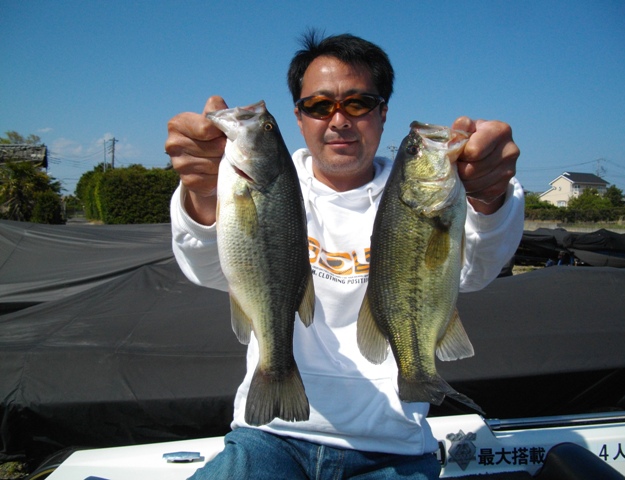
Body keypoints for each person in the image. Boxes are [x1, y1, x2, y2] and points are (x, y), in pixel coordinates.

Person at [166, 32, 524, 480]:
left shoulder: (413, 189)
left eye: (358, 103)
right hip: (271, 435)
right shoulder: (273, 182)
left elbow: (474, 270)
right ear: (298, 117)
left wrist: (490, 198)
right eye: (319, 106)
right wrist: (201, 195)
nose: (338, 120)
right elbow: (207, 267)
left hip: (393, 448)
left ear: (383, 112)